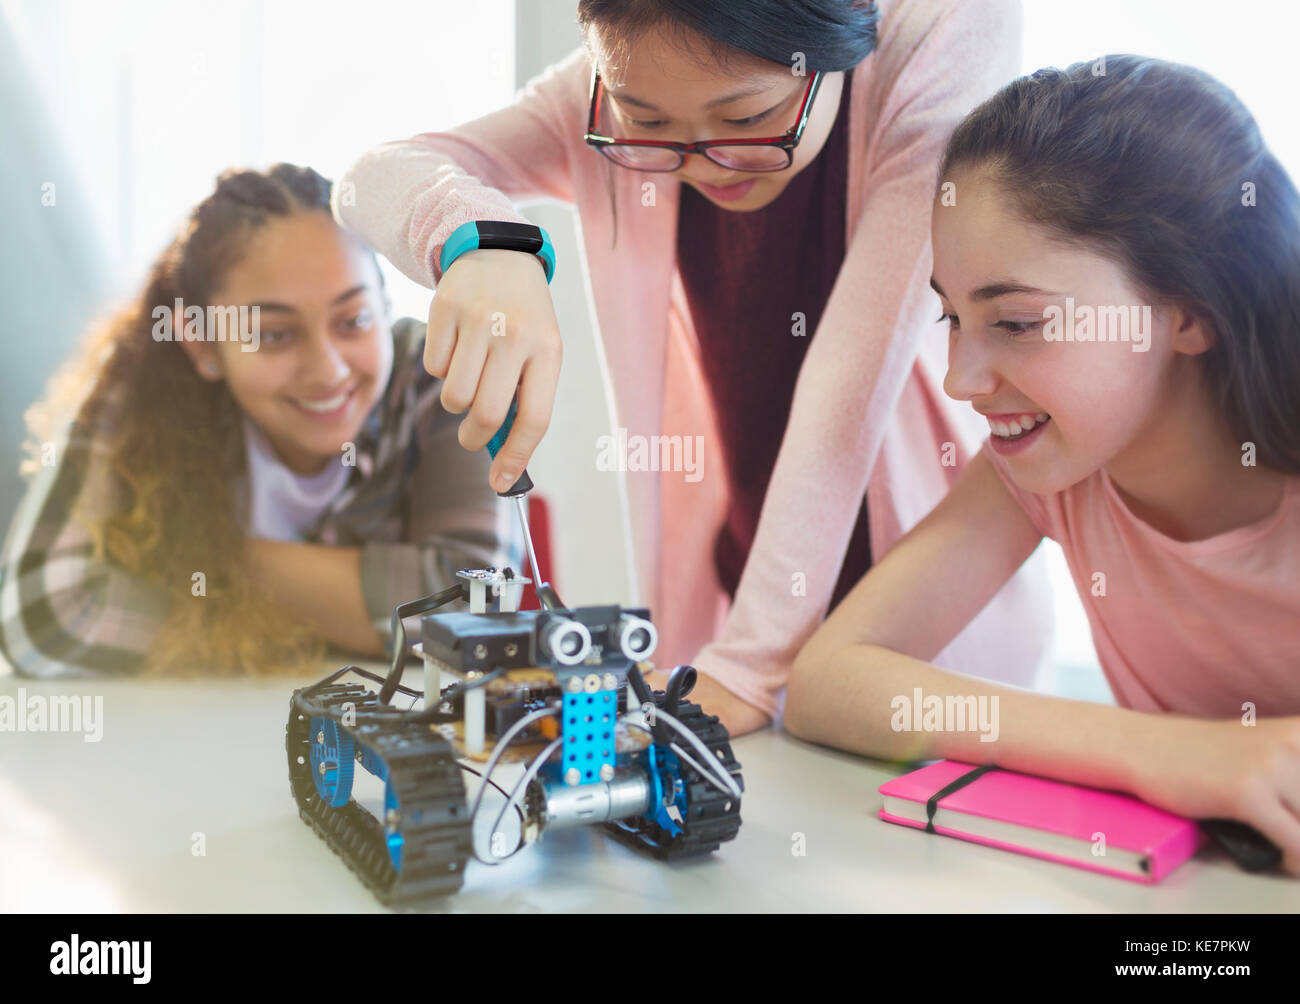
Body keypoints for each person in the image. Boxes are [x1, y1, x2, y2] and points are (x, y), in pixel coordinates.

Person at [334, 0, 1052, 734]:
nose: (704, 161)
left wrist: (749, 662)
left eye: (746, 119)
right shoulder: (623, 79)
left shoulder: (938, 34)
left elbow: (850, 381)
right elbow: (370, 178)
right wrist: (482, 240)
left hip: (922, 652)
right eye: (647, 123)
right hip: (730, 631)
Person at [786, 56, 1300, 873]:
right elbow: (828, 683)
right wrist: (1164, 753)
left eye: (1017, 322)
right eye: (952, 317)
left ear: (1189, 313)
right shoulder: (1051, 471)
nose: (960, 379)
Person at [0, 163, 517, 678]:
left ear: (384, 308)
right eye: (273, 335)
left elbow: (480, 612)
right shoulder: (140, 388)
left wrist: (203, 560)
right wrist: (364, 605)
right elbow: (44, 619)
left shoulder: (438, 381)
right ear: (201, 343)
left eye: (353, 320)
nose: (328, 370)